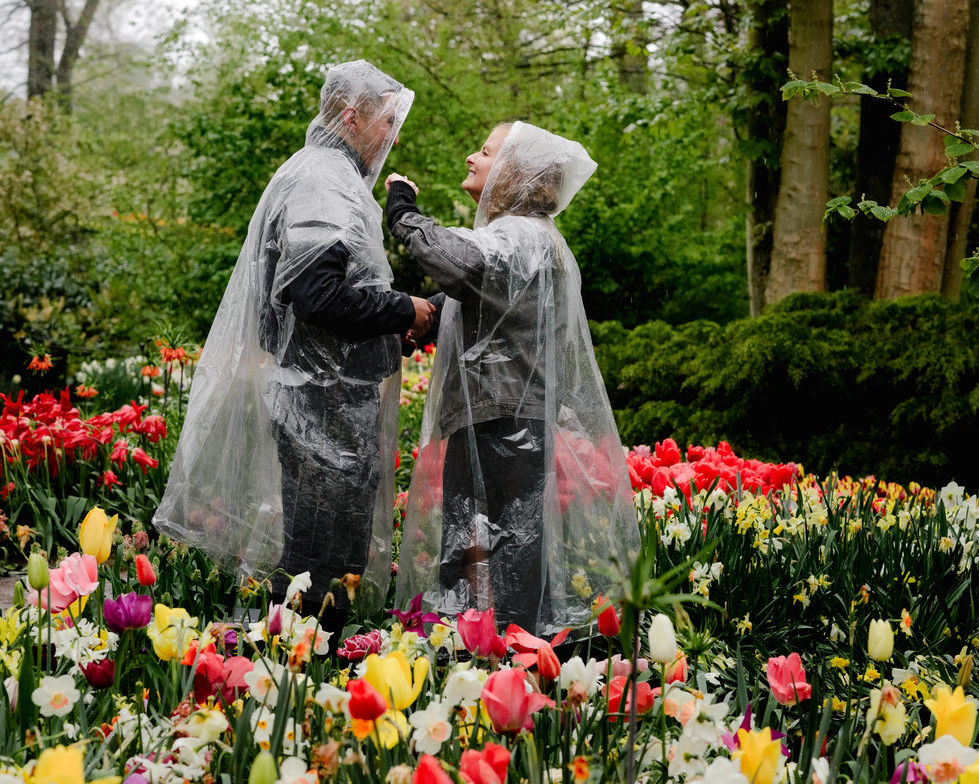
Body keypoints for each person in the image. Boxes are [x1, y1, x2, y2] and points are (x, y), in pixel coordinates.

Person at [154, 61, 433, 634]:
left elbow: (311, 296)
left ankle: (302, 669)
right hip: (321, 411)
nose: (393, 136)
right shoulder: (322, 180)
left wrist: (384, 326)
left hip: (324, 404)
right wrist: (405, 310)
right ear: (351, 117)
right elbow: (312, 292)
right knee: (321, 562)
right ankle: (307, 676)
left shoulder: (324, 176)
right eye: (386, 121)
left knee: (317, 554)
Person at [384, 122, 639, 636]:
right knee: (495, 547)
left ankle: (499, 662)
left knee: (494, 552)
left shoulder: (520, 234)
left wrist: (403, 212)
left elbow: (459, 265)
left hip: (503, 422)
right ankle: (497, 658)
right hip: (502, 416)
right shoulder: (531, 239)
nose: (470, 158)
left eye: (484, 151)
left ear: (514, 173)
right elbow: (496, 306)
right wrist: (428, 315)